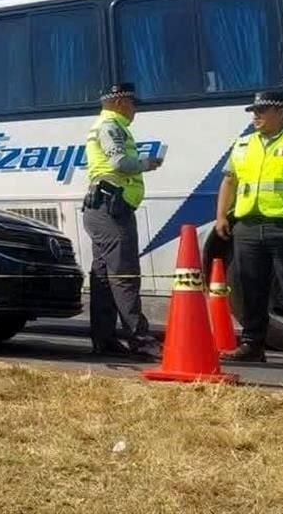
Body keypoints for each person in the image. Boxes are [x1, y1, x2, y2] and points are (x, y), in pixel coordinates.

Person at [214, 91, 283, 371]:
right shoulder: (243, 143)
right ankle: (252, 346)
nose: (256, 116)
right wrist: (221, 216)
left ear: (280, 112)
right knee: (251, 289)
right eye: (254, 111)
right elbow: (229, 181)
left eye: (262, 111)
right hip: (248, 227)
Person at [82, 82, 163, 359]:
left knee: (104, 277)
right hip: (111, 210)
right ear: (120, 103)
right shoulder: (110, 126)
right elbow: (120, 163)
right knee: (124, 274)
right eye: (132, 103)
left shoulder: (106, 125)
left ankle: (104, 340)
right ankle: (140, 340)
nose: (135, 109)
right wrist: (147, 164)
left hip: (103, 209)